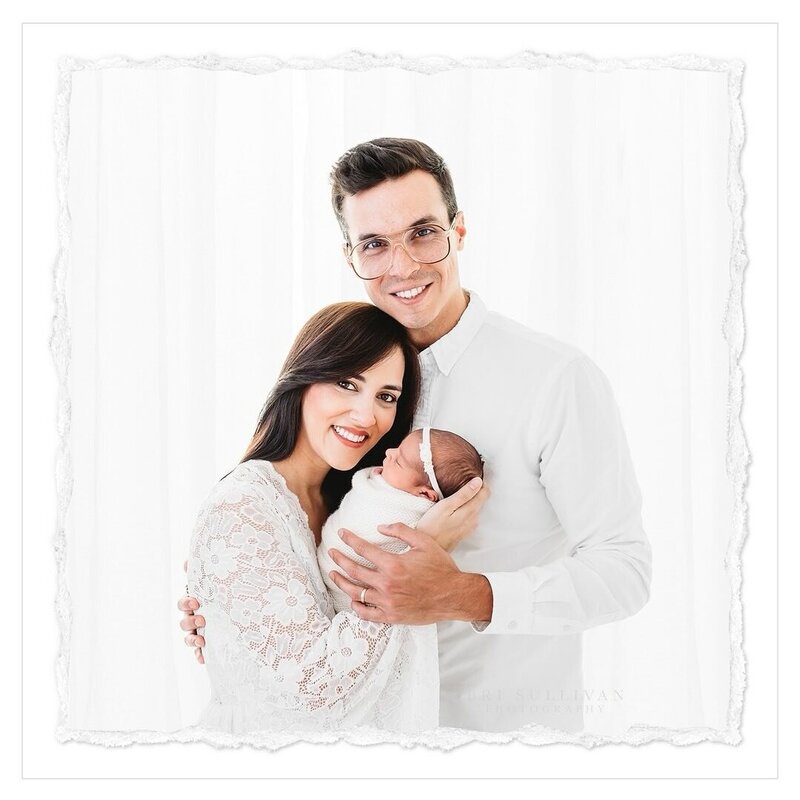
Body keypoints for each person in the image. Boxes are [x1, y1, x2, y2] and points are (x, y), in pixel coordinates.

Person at [181, 137, 652, 733]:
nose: (402, 265)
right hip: (359, 745)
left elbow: (625, 571)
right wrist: (237, 615)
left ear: (459, 231)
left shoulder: (555, 379)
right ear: (351, 255)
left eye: (423, 232)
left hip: (499, 740)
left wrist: (464, 595)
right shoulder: (347, 385)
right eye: (375, 244)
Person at [185, 302, 483, 734]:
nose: (367, 417)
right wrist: (418, 559)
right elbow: (313, 689)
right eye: (346, 383)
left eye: (386, 397)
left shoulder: (357, 501)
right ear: (304, 377)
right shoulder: (243, 508)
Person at [317, 426, 485, 612]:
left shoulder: (411, 516)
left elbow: (400, 555)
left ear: (425, 494)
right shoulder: (384, 484)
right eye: (397, 448)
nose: (389, 452)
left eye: (398, 462)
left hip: (347, 593)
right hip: (324, 570)